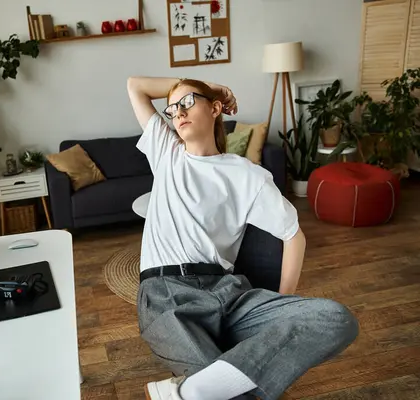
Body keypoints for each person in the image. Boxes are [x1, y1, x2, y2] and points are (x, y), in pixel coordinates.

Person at [127, 76, 359, 400]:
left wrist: (281, 299)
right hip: (168, 296)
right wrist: (209, 87)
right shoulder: (167, 154)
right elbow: (135, 85)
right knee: (237, 394)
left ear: (215, 109)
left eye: (188, 102)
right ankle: (199, 390)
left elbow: (293, 235)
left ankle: (189, 391)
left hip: (231, 295)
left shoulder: (247, 174)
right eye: (172, 107)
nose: (178, 112)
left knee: (337, 319)